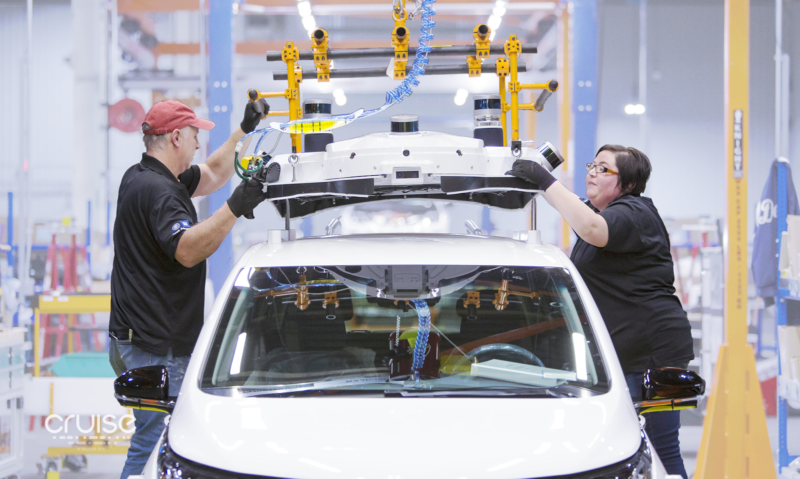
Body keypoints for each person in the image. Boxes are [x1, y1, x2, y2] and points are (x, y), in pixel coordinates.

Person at [507, 145, 694, 478]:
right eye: (592, 164)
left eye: (603, 169)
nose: (592, 172)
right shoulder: (606, 215)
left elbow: (592, 228)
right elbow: (583, 218)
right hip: (627, 351)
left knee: (661, 449)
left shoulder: (633, 212)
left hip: (655, 354)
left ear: (629, 183)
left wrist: (544, 180)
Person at [108, 99, 272, 479]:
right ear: (177, 137)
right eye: (195, 135)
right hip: (155, 346)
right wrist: (235, 207)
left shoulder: (146, 176)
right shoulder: (160, 192)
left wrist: (244, 130)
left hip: (136, 337)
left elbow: (215, 171)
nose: (198, 144)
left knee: (156, 437)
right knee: (153, 443)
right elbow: (187, 250)